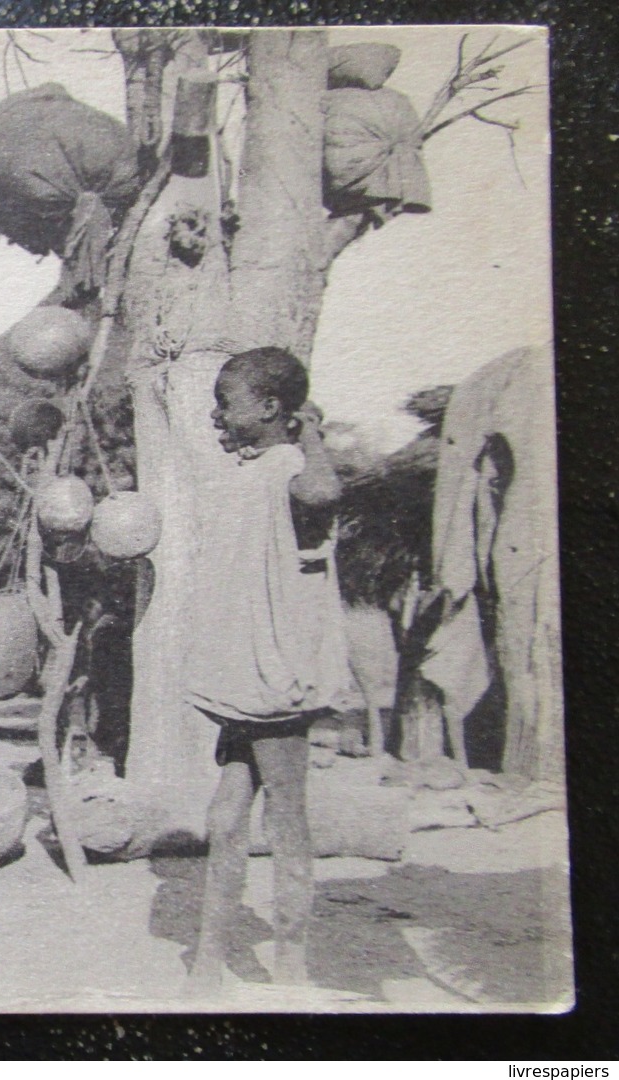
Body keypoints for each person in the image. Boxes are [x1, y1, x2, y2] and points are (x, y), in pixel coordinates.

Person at [185, 347, 351, 994]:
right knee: (225, 819)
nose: (217, 413)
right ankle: (206, 958)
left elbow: (322, 489)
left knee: (286, 820)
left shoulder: (291, 467)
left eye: (227, 401)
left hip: (275, 682)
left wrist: (309, 432)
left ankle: (290, 963)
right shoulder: (249, 473)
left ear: (270, 408)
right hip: (243, 681)